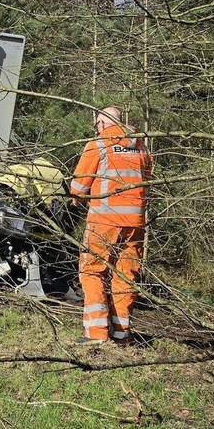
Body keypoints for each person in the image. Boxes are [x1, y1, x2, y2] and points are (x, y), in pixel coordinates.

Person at [70, 107, 153, 346]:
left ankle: (96, 334)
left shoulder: (99, 144)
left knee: (92, 271)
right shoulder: (142, 148)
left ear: (104, 124)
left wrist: (76, 199)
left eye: (97, 124)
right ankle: (120, 335)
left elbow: (78, 186)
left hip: (103, 221)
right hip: (135, 223)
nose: (96, 129)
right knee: (125, 276)